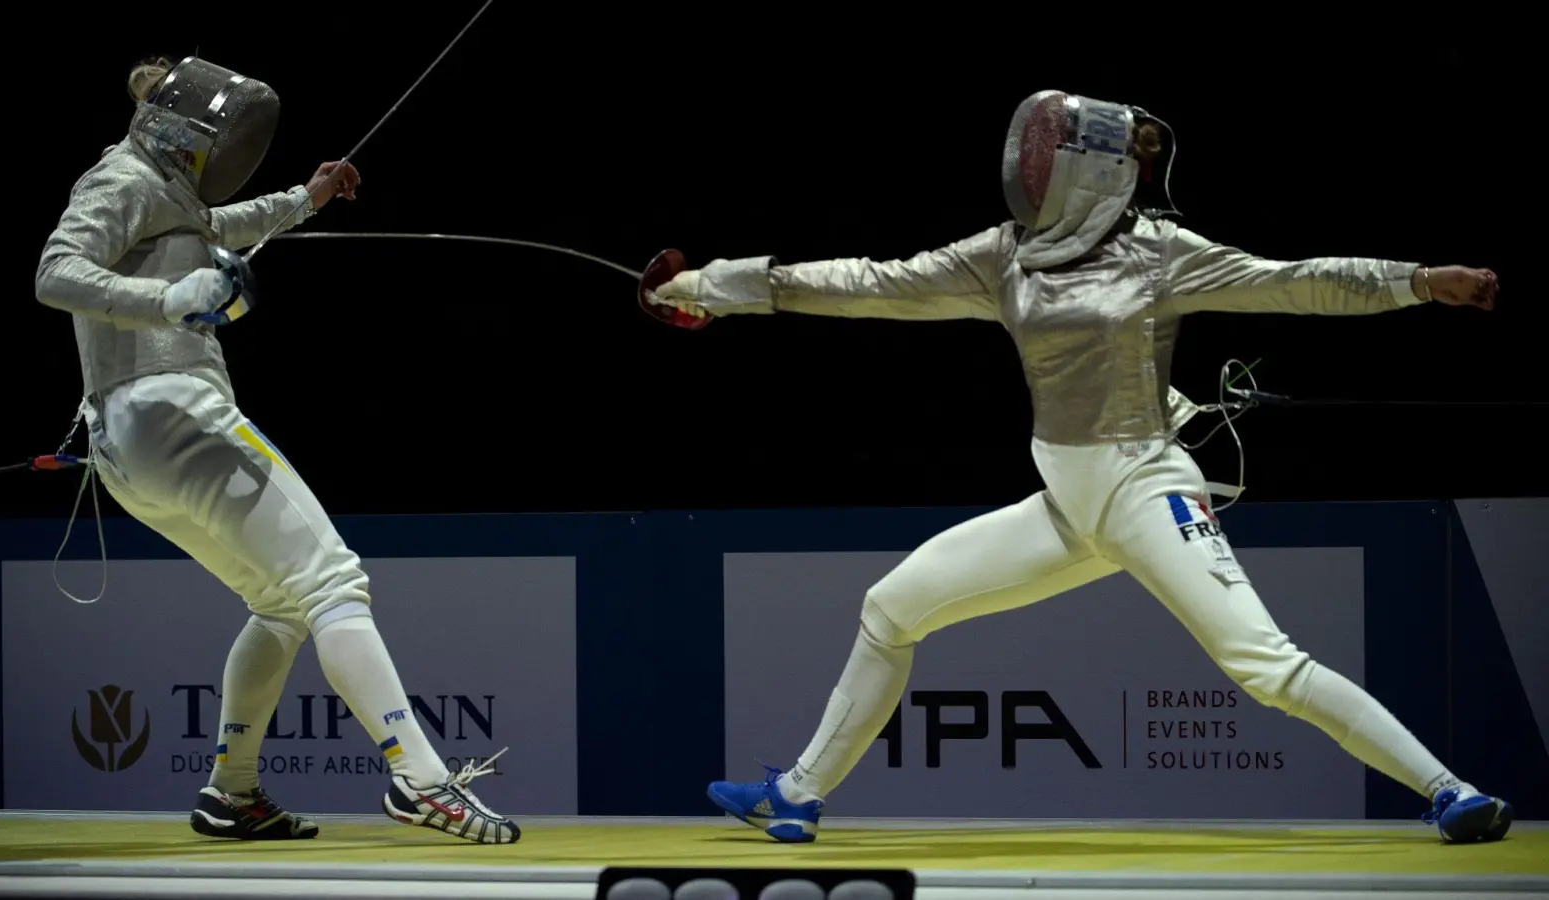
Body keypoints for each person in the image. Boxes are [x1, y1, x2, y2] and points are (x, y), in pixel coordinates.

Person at [647, 89, 1511, 846]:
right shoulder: (1003, 257)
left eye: (1041, 155)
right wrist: (713, 288)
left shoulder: (1162, 255)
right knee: (891, 608)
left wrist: (1418, 281)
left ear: (1086, 170)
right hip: (1067, 504)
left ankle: (1451, 791)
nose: (1025, 171)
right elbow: (869, 282)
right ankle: (797, 796)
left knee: (1265, 666)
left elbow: (1297, 280)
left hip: (1144, 489)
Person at [34, 55, 520, 844]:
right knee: (333, 582)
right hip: (171, 416)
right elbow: (55, 270)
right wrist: (166, 298)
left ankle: (231, 793)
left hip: (128, 451)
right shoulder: (117, 179)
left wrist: (306, 198)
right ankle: (420, 780)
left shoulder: (167, 191)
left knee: (280, 606)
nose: (214, 160)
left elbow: (216, 227)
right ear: (177, 129)